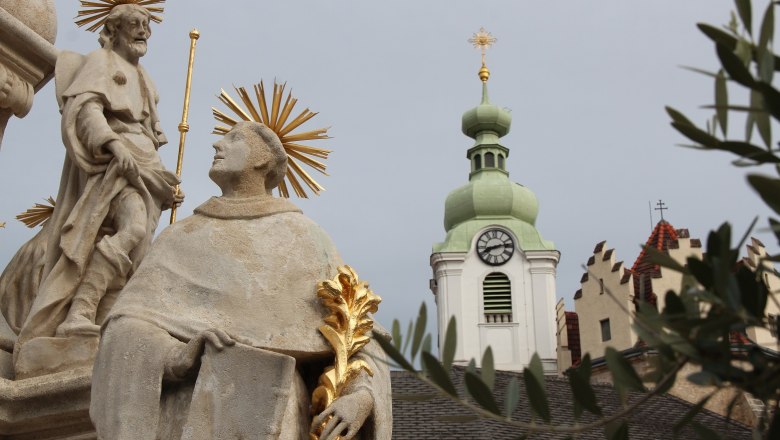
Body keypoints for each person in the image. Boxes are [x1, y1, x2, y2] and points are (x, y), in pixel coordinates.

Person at [90, 121, 392, 439]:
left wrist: (360, 397)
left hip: (279, 413)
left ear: (263, 159)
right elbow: (124, 328)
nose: (217, 145)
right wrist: (175, 355)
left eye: (233, 139)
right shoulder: (180, 236)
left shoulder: (304, 239)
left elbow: (358, 332)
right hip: (191, 409)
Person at [12, 3, 180, 360]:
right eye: (135, 24)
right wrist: (112, 143)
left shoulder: (145, 79)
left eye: (147, 24)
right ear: (114, 29)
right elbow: (85, 109)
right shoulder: (99, 62)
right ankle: (80, 312)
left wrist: (164, 182)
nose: (143, 31)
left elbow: (150, 130)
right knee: (131, 230)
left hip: (146, 165)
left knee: (139, 249)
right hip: (117, 164)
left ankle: (105, 317)